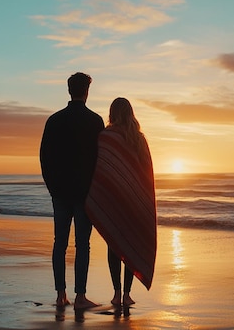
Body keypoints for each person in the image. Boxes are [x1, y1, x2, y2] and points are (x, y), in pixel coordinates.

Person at [39, 72, 104, 309]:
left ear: (69, 91)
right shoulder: (95, 121)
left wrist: (52, 187)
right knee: (82, 245)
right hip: (85, 192)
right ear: (87, 92)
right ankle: (80, 297)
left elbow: (44, 157)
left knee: (60, 243)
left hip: (60, 192)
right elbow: (102, 159)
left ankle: (60, 296)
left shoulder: (54, 120)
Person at [86, 97, 156, 307]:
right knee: (131, 244)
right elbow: (146, 174)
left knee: (115, 244)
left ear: (112, 113)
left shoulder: (106, 137)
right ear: (130, 113)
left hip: (114, 200)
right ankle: (126, 295)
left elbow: (101, 169)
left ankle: (116, 293)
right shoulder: (139, 139)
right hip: (134, 201)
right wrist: (143, 197)